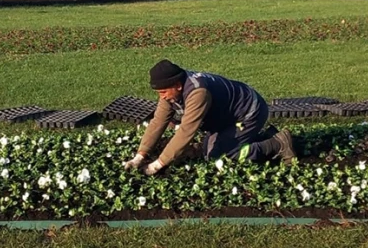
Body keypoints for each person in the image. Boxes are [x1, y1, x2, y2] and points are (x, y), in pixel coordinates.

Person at [123, 60, 295, 176]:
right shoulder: (172, 91)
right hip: (227, 117)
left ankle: (278, 144)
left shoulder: (198, 93)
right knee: (208, 150)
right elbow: (158, 121)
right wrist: (140, 156)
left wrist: (157, 165)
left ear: (177, 85)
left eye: (163, 92)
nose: (162, 97)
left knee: (222, 155)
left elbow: (186, 132)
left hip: (249, 112)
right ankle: (262, 136)